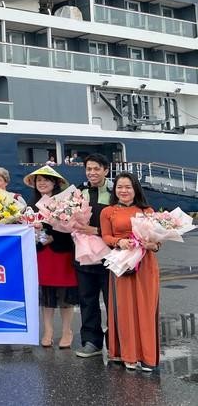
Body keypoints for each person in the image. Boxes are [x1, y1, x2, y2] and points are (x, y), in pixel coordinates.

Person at [100, 172, 161, 372]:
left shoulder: (148, 211)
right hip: (122, 263)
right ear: (114, 189)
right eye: (119, 187)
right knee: (124, 308)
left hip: (146, 264)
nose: (123, 191)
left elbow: (157, 243)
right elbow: (106, 237)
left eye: (128, 187)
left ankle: (147, 356)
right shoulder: (108, 211)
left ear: (135, 189)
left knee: (146, 307)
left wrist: (150, 245)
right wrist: (119, 242)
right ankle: (129, 354)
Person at [24, 166, 78, 349]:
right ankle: (48, 331)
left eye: (46, 180)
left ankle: (66, 331)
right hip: (41, 254)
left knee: (65, 295)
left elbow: (70, 227)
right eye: (39, 180)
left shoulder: (64, 202)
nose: (42, 183)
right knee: (46, 295)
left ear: (54, 182)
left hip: (61, 252)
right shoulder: (30, 206)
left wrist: (51, 234)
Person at [72, 153, 112, 358]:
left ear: (106, 170)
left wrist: (96, 231)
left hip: (110, 255)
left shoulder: (115, 192)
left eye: (97, 168)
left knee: (112, 301)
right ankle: (91, 342)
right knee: (87, 299)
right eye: (89, 169)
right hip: (84, 254)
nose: (92, 172)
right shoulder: (79, 192)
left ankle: (116, 343)